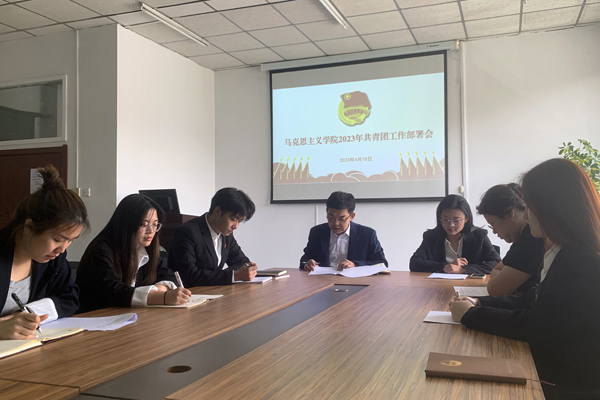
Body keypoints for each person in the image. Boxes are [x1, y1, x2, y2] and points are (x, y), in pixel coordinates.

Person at [450, 159, 600, 398]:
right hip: (557, 372)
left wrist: (471, 315)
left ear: (551, 209)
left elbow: (536, 325)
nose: (527, 216)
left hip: (569, 386)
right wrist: (480, 302)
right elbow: (536, 297)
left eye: (529, 206)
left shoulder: (583, 262)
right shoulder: (567, 251)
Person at [0, 166, 88, 340]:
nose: (62, 249)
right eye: (57, 239)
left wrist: (28, 313)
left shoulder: (53, 258)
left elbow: (69, 298)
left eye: (70, 240)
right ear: (29, 227)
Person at [76, 194, 190, 313]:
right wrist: (162, 297)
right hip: (97, 317)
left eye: (155, 224)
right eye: (143, 224)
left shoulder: (145, 249)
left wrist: (158, 289)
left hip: (128, 315)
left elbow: (170, 275)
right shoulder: (101, 250)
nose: (151, 231)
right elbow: (113, 292)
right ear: (126, 224)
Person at [168, 187, 257, 286]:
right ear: (217, 211)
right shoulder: (187, 232)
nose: (236, 226)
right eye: (233, 219)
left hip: (213, 290)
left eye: (239, 221)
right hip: (190, 292)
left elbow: (242, 261)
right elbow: (188, 276)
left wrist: (242, 271)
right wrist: (234, 275)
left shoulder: (226, 234)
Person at [477, 184, 545, 295]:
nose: (494, 231)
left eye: (493, 224)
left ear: (510, 213)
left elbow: (495, 290)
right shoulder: (520, 238)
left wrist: (502, 279)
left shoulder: (532, 239)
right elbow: (496, 269)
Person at [409, 194, 500, 274]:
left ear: (466, 219)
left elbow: (497, 263)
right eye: (445, 220)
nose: (451, 225)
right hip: (439, 284)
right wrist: (446, 267)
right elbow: (414, 263)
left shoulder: (479, 236)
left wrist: (463, 269)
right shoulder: (431, 237)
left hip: (468, 284)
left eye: (456, 220)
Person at [300, 191, 387, 271]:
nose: (336, 223)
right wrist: (307, 263)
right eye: (331, 218)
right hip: (323, 279)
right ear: (327, 212)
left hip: (354, 280)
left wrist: (355, 265)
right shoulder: (317, 232)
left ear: (351, 216)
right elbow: (305, 259)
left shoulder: (367, 234)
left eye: (342, 219)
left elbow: (381, 263)